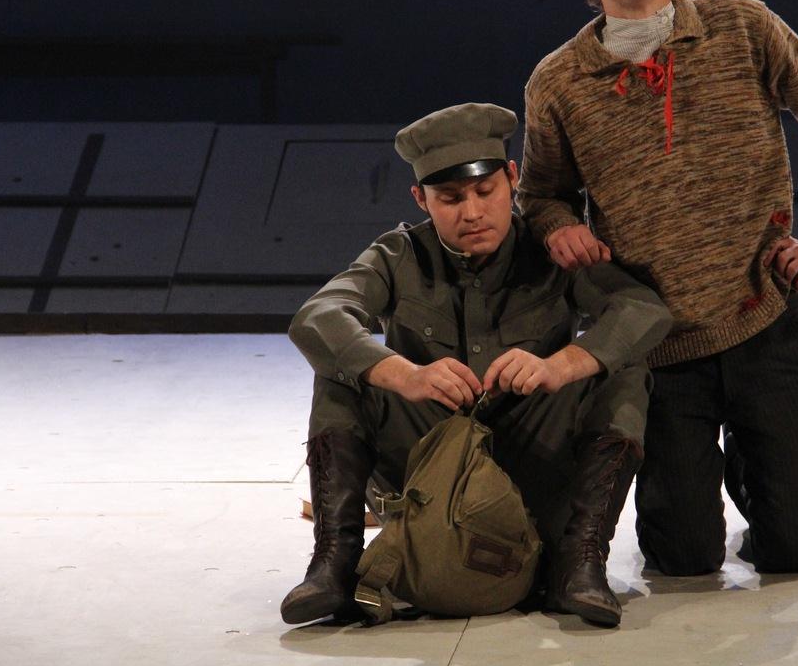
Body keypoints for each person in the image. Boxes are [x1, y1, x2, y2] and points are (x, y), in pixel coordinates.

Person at [518, 0, 798, 578]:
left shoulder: (742, 26)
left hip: (761, 316)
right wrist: (557, 227)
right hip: (657, 342)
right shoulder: (558, 81)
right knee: (682, 557)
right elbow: (541, 195)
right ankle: (724, 470)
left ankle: (757, 462)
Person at [281, 102, 671, 627]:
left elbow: (643, 310)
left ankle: (580, 563)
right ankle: (334, 563)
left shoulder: (549, 252)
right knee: (341, 372)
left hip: (532, 464)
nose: (472, 212)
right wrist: (404, 374)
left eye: (486, 191)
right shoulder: (399, 255)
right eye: (450, 198)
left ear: (511, 179)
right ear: (421, 199)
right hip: (428, 472)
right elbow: (318, 316)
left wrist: (562, 364)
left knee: (620, 369)